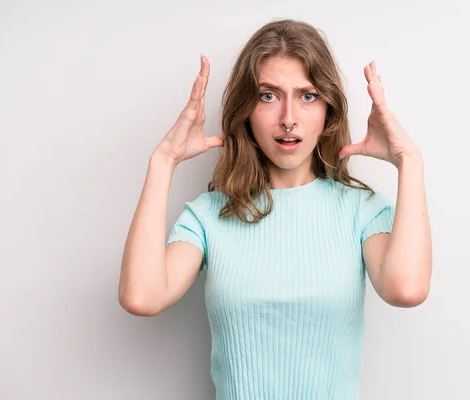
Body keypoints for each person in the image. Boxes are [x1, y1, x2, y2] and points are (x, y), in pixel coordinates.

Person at [119, 18, 432, 400]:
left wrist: (409, 160)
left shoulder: (361, 210)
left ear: (328, 111)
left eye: (307, 95)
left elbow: (407, 289)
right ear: (245, 110)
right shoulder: (210, 215)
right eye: (268, 95)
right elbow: (141, 296)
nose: (288, 117)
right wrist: (163, 160)